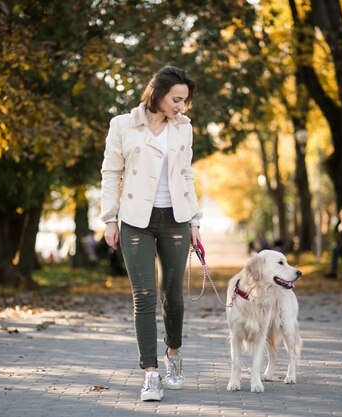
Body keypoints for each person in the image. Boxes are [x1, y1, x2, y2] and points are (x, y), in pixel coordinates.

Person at [100, 65, 202, 402]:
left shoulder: (183, 129)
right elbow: (111, 172)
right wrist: (109, 219)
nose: (181, 107)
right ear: (157, 93)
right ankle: (150, 374)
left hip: (175, 220)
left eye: (185, 101)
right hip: (135, 221)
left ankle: (173, 353)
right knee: (143, 296)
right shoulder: (123, 125)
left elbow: (186, 175)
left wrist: (195, 222)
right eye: (176, 99)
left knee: (172, 295)